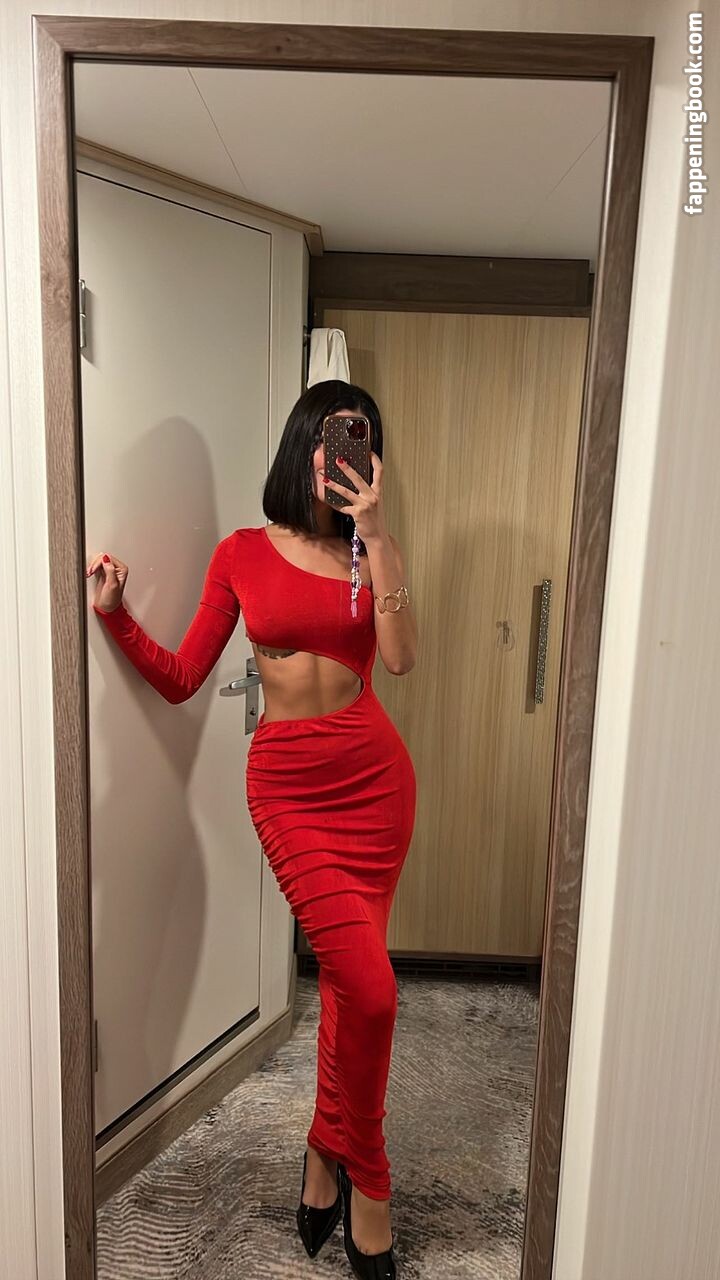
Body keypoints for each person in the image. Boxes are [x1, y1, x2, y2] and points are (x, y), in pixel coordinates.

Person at [87, 381, 417, 1279]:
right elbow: (184, 676)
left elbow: (399, 660)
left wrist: (378, 536)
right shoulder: (240, 552)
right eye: (328, 439)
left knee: (352, 987)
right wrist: (116, 617)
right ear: (300, 445)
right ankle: (370, 1175)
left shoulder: (370, 552)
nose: (338, 458)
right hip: (288, 790)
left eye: (359, 442)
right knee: (373, 991)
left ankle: (324, 1153)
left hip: (375, 784)